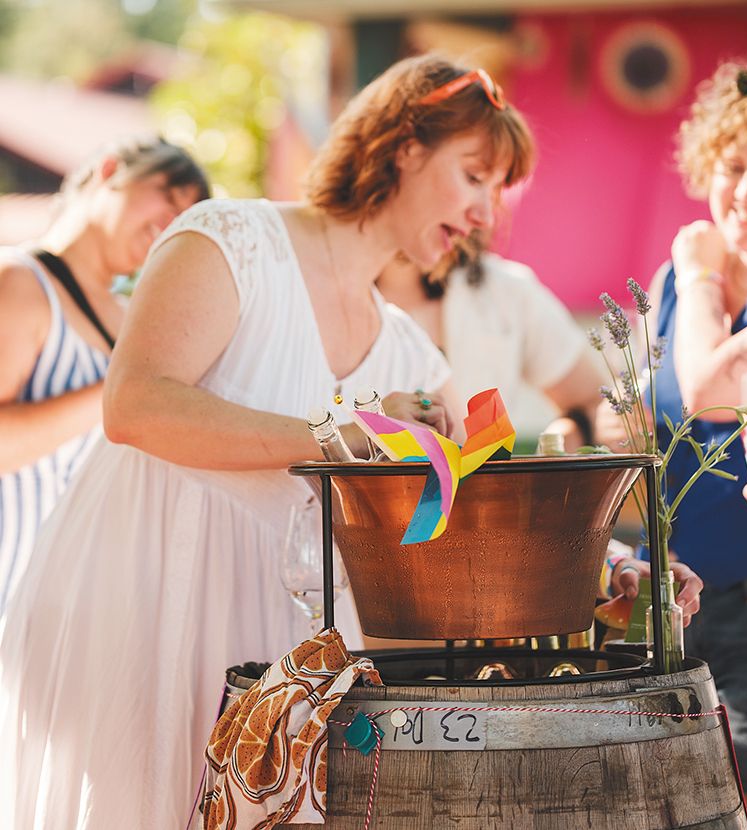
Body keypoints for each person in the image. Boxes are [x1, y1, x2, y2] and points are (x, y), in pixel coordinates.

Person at [0, 55, 536, 828]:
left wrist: (614, 564)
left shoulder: (409, 350)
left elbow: (486, 481)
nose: (488, 213)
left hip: (279, 657)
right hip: (147, 617)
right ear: (405, 146)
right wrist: (331, 434)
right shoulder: (232, 239)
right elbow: (134, 405)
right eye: (475, 176)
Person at [596, 55, 747, 830]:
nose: (743, 191)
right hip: (675, 604)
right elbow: (651, 407)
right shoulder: (674, 286)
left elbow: (708, 392)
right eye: (733, 165)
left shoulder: (699, 271)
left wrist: (697, 271)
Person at [0, 136, 209, 613]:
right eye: (170, 195)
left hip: (79, 599)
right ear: (111, 170)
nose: (172, 221)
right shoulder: (19, 281)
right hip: (12, 585)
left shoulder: (132, 315)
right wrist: (126, 392)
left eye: (186, 218)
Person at [377, 239, 606, 451]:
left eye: (493, 194)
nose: (485, 215)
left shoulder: (505, 290)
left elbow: (597, 402)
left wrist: (556, 446)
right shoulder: (348, 300)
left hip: (488, 492)